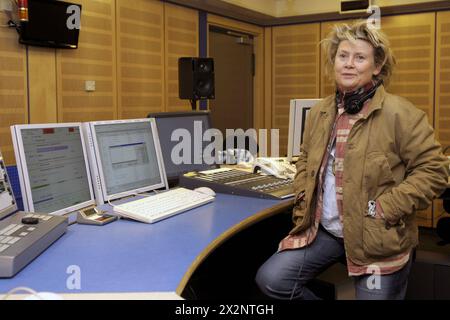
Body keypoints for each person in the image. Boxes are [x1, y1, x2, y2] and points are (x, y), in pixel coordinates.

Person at [255, 20, 450, 300]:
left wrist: (386, 207)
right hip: (328, 231)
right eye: (342, 56)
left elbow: (434, 170)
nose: (348, 64)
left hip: (376, 236)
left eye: (359, 57)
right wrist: (302, 192)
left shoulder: (402, 114)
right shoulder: (320, 112)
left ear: (377, 67)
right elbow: (305, 158)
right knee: (272, 280)